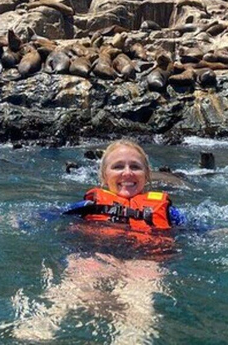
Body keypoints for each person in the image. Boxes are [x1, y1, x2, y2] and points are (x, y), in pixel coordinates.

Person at [10, 140, 184, 343]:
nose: (127, 173)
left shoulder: (168, 212)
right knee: (78, 283)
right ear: (104, 175)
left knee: (139, 293)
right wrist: (19, 220)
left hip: (145, 257)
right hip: (95, 254)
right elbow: (50, 214)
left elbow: (198, 227)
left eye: (135, 167)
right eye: (118, 166)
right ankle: (41, 326)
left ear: (146, 175)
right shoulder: (88, 205)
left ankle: (131, 338)